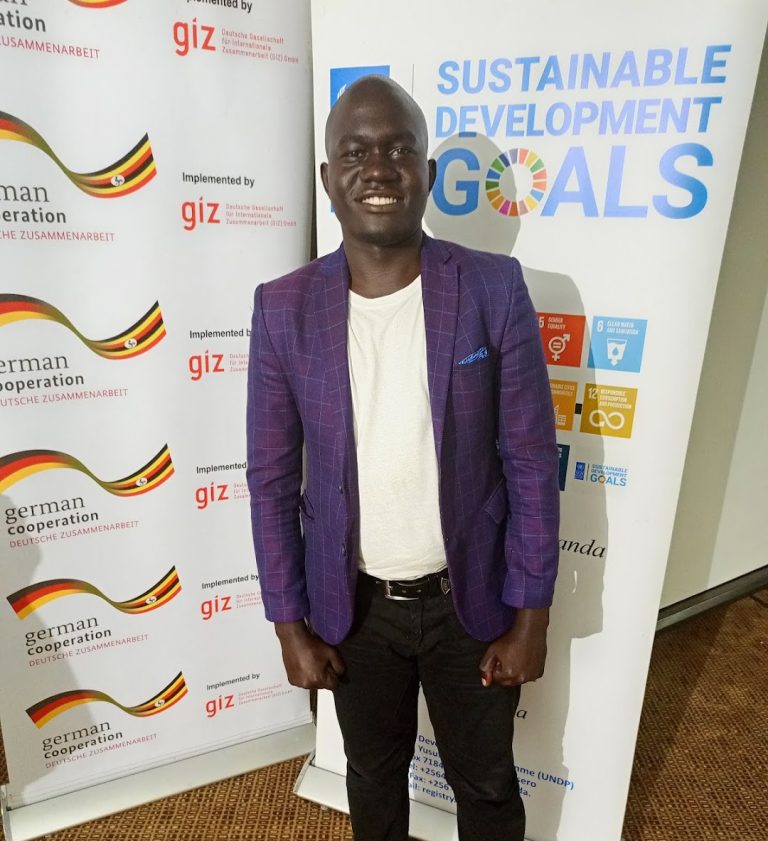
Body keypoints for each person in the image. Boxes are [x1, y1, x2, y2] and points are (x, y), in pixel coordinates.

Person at [246, 75, 560, 841]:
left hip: (472, 603)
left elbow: (527, 460)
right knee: (373, 779)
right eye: (355, 152)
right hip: (353, 607)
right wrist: (290, 625)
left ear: (425, 172)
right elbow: (271, 478)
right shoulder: (282, 306)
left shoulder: (492, 287)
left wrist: (532, 615)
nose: (378, 168)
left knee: (485, 784)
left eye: (399, 150)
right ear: (328, 179)